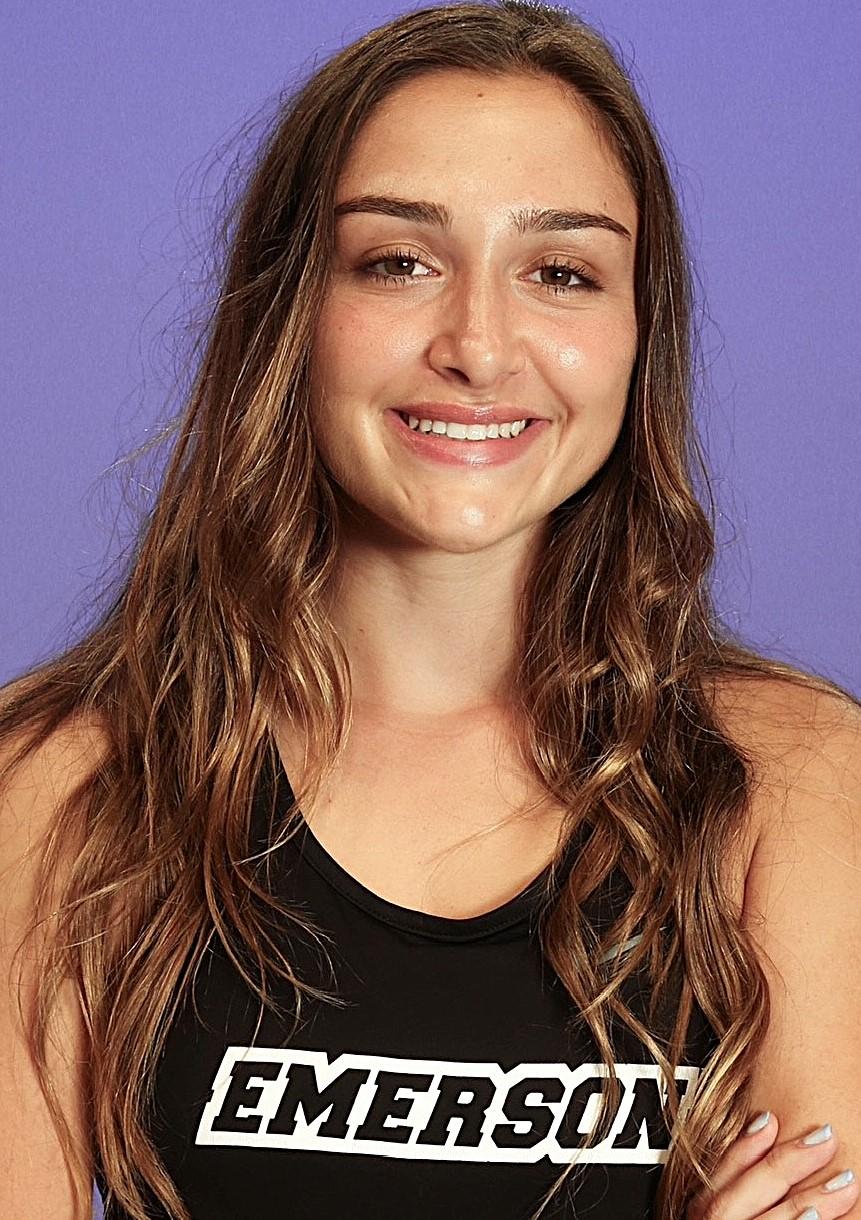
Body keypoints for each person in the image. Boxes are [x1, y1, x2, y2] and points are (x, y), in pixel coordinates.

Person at [1, 2, 859, 1218]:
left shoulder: (798, 786)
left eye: (561, 272)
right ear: (291, 313)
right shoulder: (56, 791)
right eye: (398, 260)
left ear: (633, 336)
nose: (479, 343)